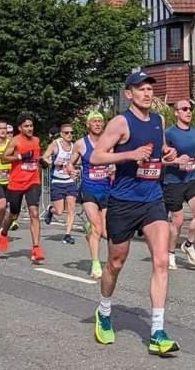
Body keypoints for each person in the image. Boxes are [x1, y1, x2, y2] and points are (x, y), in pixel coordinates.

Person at [90, 71, 179, 356]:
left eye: (150, 89)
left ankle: (157, 331)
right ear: (129, 93)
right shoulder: (120, 122)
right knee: (116, 262)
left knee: (162, 261)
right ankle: (104, 311)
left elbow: (159, 149)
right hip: (123, 202)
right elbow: (96, 156)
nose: (147, 94)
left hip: (152, 199)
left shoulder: (158, 120)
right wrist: (128, 155)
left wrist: (167, 155)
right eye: (141, 89)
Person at [164, 99, 195, 270]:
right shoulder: (169, 133)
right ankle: (170, 253)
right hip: (173, 182)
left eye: (190, 109)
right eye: (184, 109)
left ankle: (189, 244)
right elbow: (163, 157)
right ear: (176, 113)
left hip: (191, 179)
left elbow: (193, 149)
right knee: (178, 221)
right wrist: (175, 160)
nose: (188, 111)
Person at [0, 113, 44, 263]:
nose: (30, 128)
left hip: (33, 180)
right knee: (13, 214)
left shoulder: (37, 140)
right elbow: (3, 158)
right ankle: (3, 232)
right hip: (17, 182)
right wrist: (20, 157)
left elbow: (36, 160)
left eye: (31, 126)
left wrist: (42, 163)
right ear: (20, 128)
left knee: (34, 212)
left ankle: (36, 248)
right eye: (26, 126)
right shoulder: (15, 141)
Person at [71, 111, 110, 279]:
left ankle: (88, 229)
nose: (98, 124)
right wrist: (71, 170)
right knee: (97, 228)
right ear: (88, 124)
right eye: (94, 121)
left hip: (107, 189)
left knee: (106, 232)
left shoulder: (109, 142)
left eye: (100, 121)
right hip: (89, 190)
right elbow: (70, 163)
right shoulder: (81, 144)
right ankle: (95, 264)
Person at [43, 123, 78, 245]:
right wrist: (53, 162)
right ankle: (50, 210)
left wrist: (74, 171)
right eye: (67, 133)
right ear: (62, 134)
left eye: (72, 133)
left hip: (69, 181)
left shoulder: (75, 147)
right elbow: (45, 157)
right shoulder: (55, 145)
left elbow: (75, 163)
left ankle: (67, 235)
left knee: (72, 208)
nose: (70, 135)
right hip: (57, 181)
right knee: (59, 211)